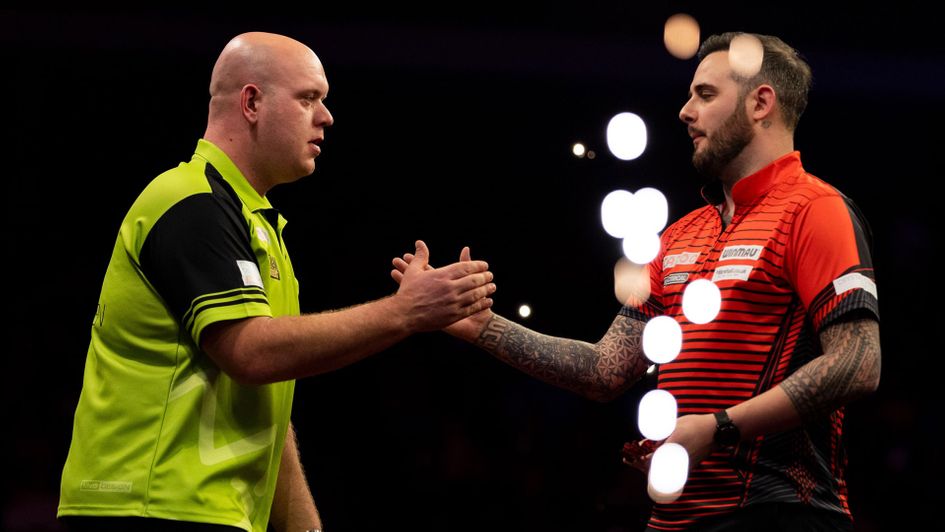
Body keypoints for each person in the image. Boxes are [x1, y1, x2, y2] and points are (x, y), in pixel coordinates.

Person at [393, 32, 880, 531]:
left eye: (705, 95)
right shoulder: (679, 236)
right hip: (676, 519)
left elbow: (858, 364)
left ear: (761, 103)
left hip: (781, 514)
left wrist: (718, 429)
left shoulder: (815, 211)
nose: (685, 112)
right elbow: (606, 370)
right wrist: (482, 326)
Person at [58, 32, 496, 532]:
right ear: (251, 102)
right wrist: (403, 312)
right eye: (309, 98)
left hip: (205, 511)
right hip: (145, 504)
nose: (327, 116)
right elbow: (251, 354)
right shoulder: (190, 202)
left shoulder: (260, 228)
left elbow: (268, 403)